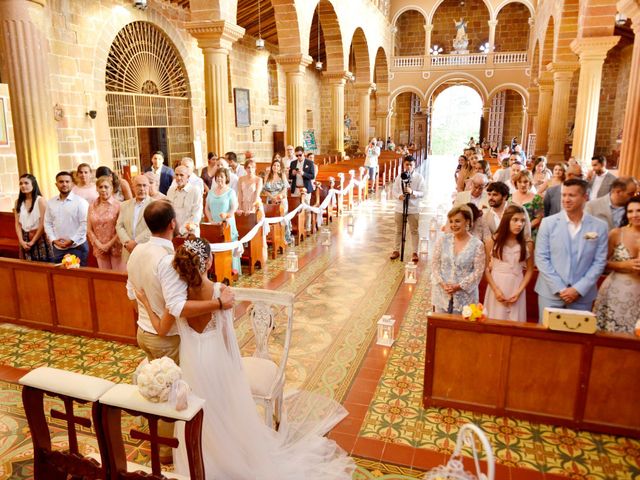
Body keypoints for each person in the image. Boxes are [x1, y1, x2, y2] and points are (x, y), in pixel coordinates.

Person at [132, 235, 355, 479]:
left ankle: (202, 466)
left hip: (192, 362)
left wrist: (143, 302)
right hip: (217, 361)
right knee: (224, 411)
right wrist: (235, 374)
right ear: (208, 263)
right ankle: (230, 462)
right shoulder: (221, 292)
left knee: (199, 415)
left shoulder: (177, 298)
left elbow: (162, 329)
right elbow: (229, 341)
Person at [125, 200, 235, 464]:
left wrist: (145, 318)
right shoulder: (166, 261)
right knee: (174, 394)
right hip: (166, 336)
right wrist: (219, 303)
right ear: (173, 223)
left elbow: (131, 293)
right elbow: (177, 306)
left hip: (144, 332)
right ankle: (166, 450)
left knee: (160, 387)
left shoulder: (136, 252)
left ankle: (162, 441)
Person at [534, 179, 609, 322]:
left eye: (571, 195)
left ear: (585, 197)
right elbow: (541, 258)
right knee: (547, 339)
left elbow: (599, 262)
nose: (566, 200)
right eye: (564, 195)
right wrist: (560, 288)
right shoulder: (548, 223)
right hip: (551, 294)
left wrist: (578, 289)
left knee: (578, 339)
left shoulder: (600, 227)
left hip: (582, 296)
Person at [593, 197, 640, 334]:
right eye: (630, 211)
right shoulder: (616, 234)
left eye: (639, 211)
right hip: (615, 293)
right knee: (610, 335)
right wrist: (623, 265)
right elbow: (601, 263)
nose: (635, 215)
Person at [483, 205, 534, 321]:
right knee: (495, 321)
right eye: (515, 220)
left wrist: (519, 292)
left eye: (522, 221)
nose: (519, 224)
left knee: (515, 322)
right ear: (506, 220)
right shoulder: (492, 241)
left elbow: (530, 270)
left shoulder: (528, 243)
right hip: (497, 285)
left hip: (517, 286)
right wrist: (495, 290)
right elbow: (485, 269)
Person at [431, 205, 485, 313]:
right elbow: (434, 265)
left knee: (460, 329)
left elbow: (478, 272)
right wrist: (443, 284)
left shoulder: (477, 245)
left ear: (467, 222)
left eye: (457, 221)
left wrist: (459, 286)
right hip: (442, 293)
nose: (453, 225)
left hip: (465, 297)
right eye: (451, 221)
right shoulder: (443, 240)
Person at [44, 171, 90, 265]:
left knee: (78, 278)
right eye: (61, 182)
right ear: (56, 184)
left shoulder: (80, 202)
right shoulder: (51, 203)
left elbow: (85, 224)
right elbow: (47, 223)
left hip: (77, 247)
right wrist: (53, 240)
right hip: (58, 248)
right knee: (60, 278)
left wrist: (72, 240)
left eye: (67, 181)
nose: (64, 184)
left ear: (72, 184)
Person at [389, 155, 426, 263]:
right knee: (398, 230)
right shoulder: (399, 177)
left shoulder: (419, 177)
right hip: (400, 208)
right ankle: (396, 250)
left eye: (411, 164)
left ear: (414, 165)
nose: (409, 166)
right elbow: (394, 190)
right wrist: (399, 196)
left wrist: (413, 192)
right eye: (407, 164)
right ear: (404, 165)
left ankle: (415, 252)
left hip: (413, 208)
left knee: (414, 230)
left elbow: (423, 192)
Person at [205, 168, 241, 273]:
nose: (219, 179)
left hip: (227, 224)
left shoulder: (230, 192)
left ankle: (231, 271)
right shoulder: (211, 192)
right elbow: (207, 208)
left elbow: (234, 207)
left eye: (222, 176)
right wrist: (211, 220)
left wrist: (227, 215)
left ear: (226, 178)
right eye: (217, 176)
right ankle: (218, 271)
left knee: (228, 246)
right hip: (215, 224)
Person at [87, 176, 124, 271]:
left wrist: (108, 245)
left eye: (106, 187)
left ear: (111, 188)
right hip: (99, 248)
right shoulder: (92, 206)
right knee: (104, 278)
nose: (103, 190)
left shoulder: (119, 205)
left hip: (116, 247)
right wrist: (99, 245)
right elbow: (89, 229)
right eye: (100, 187)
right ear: (97, 189)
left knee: (118, 277)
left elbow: (122, 228)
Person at [13, 174, 52, 262]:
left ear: (33, 184)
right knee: (27, 266)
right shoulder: (18, 202)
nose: (23, 186)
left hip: (40, 236)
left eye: (26, 183)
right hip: (24, 238)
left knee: (42, 265)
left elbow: (43, 223)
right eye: (21, 183)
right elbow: (17, 224)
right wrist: (21, 241)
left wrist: (33, 241)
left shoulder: (40, 200)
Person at [116, 175, 152, 263]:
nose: (142, 188)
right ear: (133, 187)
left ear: (149, 187)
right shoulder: (124, 205)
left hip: (146, 250)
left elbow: (153, 228)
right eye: (138, 185)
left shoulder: (155, 205)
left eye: (144, 185)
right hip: (128, 251)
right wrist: (127, 243)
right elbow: (119, 226)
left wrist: (135, 242)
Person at [167, 165, 203, 237]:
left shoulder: (195, 190)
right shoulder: (171, 190)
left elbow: (196, 215)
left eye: (181, 175)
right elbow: (168, 212)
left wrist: (181, 231)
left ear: (188, 177)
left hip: (189, 233)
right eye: (176, 175)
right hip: (173, 233)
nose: (178, 178)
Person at [263, 159, 293, 244]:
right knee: (272, 218)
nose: (276, 167)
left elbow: (285, 188)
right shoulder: (267, 175)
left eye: (278, 165)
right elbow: (265, 190)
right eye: (274, 165)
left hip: (281, 199)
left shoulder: (282, 175)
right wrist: (272, 197)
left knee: (283, 217)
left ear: (280, 168)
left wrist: (278, 196)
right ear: (272, 166)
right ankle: (273, 238)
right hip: (270, 199)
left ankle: (284, 237)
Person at [510, 171, 543, 236]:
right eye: (519, 182)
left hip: (530, 232)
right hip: (512, 233)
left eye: (525, 182)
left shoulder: (536, 198)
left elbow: (538, 219)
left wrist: (525, 229)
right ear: (516, 183)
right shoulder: (510, 197)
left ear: (530, 183)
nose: (523, 184)